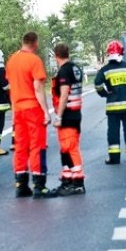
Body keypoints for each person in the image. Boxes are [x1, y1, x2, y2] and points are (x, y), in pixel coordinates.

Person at [5, 31, 57, 198]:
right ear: (35, 43)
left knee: (20, 146)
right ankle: (39, 185)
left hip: (18, 109)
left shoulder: (12, 60)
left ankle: (21, 184)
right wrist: (45, 111)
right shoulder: (34, 60)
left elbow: (12, 87)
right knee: (37, 146)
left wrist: (14, 109)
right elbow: (38, 88)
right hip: (33, 109)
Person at [94, 40, 126, 164]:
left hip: (113, 108)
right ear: (121, 53)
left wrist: (105, 94)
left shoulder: (105, 70)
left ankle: (114, 158)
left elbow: (97, 84)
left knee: (113, 132)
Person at [51, 42, 86, 195]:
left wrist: (58, 116)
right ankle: (68, 180)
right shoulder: (75, 68)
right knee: (66, 149)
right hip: (75, 113)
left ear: (56, 55)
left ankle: (77, 182)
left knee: (70, 148)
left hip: (68, 114)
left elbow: (64, 94)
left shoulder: (64, 71)